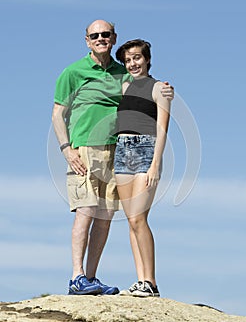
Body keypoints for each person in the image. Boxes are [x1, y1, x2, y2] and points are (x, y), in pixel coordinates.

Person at [52, 19, 174, 296]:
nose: (100, 38)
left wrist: (166, 91)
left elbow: (149, 90)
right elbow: (57, 114)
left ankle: (92, 278)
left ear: (113, 37)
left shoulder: (123, 74)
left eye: (105, 34)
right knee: (85, 212)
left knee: (107, 216)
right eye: (94, 35)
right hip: (84, 149)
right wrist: (66, 148)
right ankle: (77, 276)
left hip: (117, 151)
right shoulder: (72, 72)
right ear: (87, 40)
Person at [114, 39, 171, 297]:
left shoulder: (159, 88)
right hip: (121, 151)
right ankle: (141, 280)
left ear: (147, 59)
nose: (132, 63)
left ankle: (152, 282)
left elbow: (162, 128)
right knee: (130, 221)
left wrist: (155, 164)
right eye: (128, 60)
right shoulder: (124, 86)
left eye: (137, 58)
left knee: (139, 217)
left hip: (145, 150)